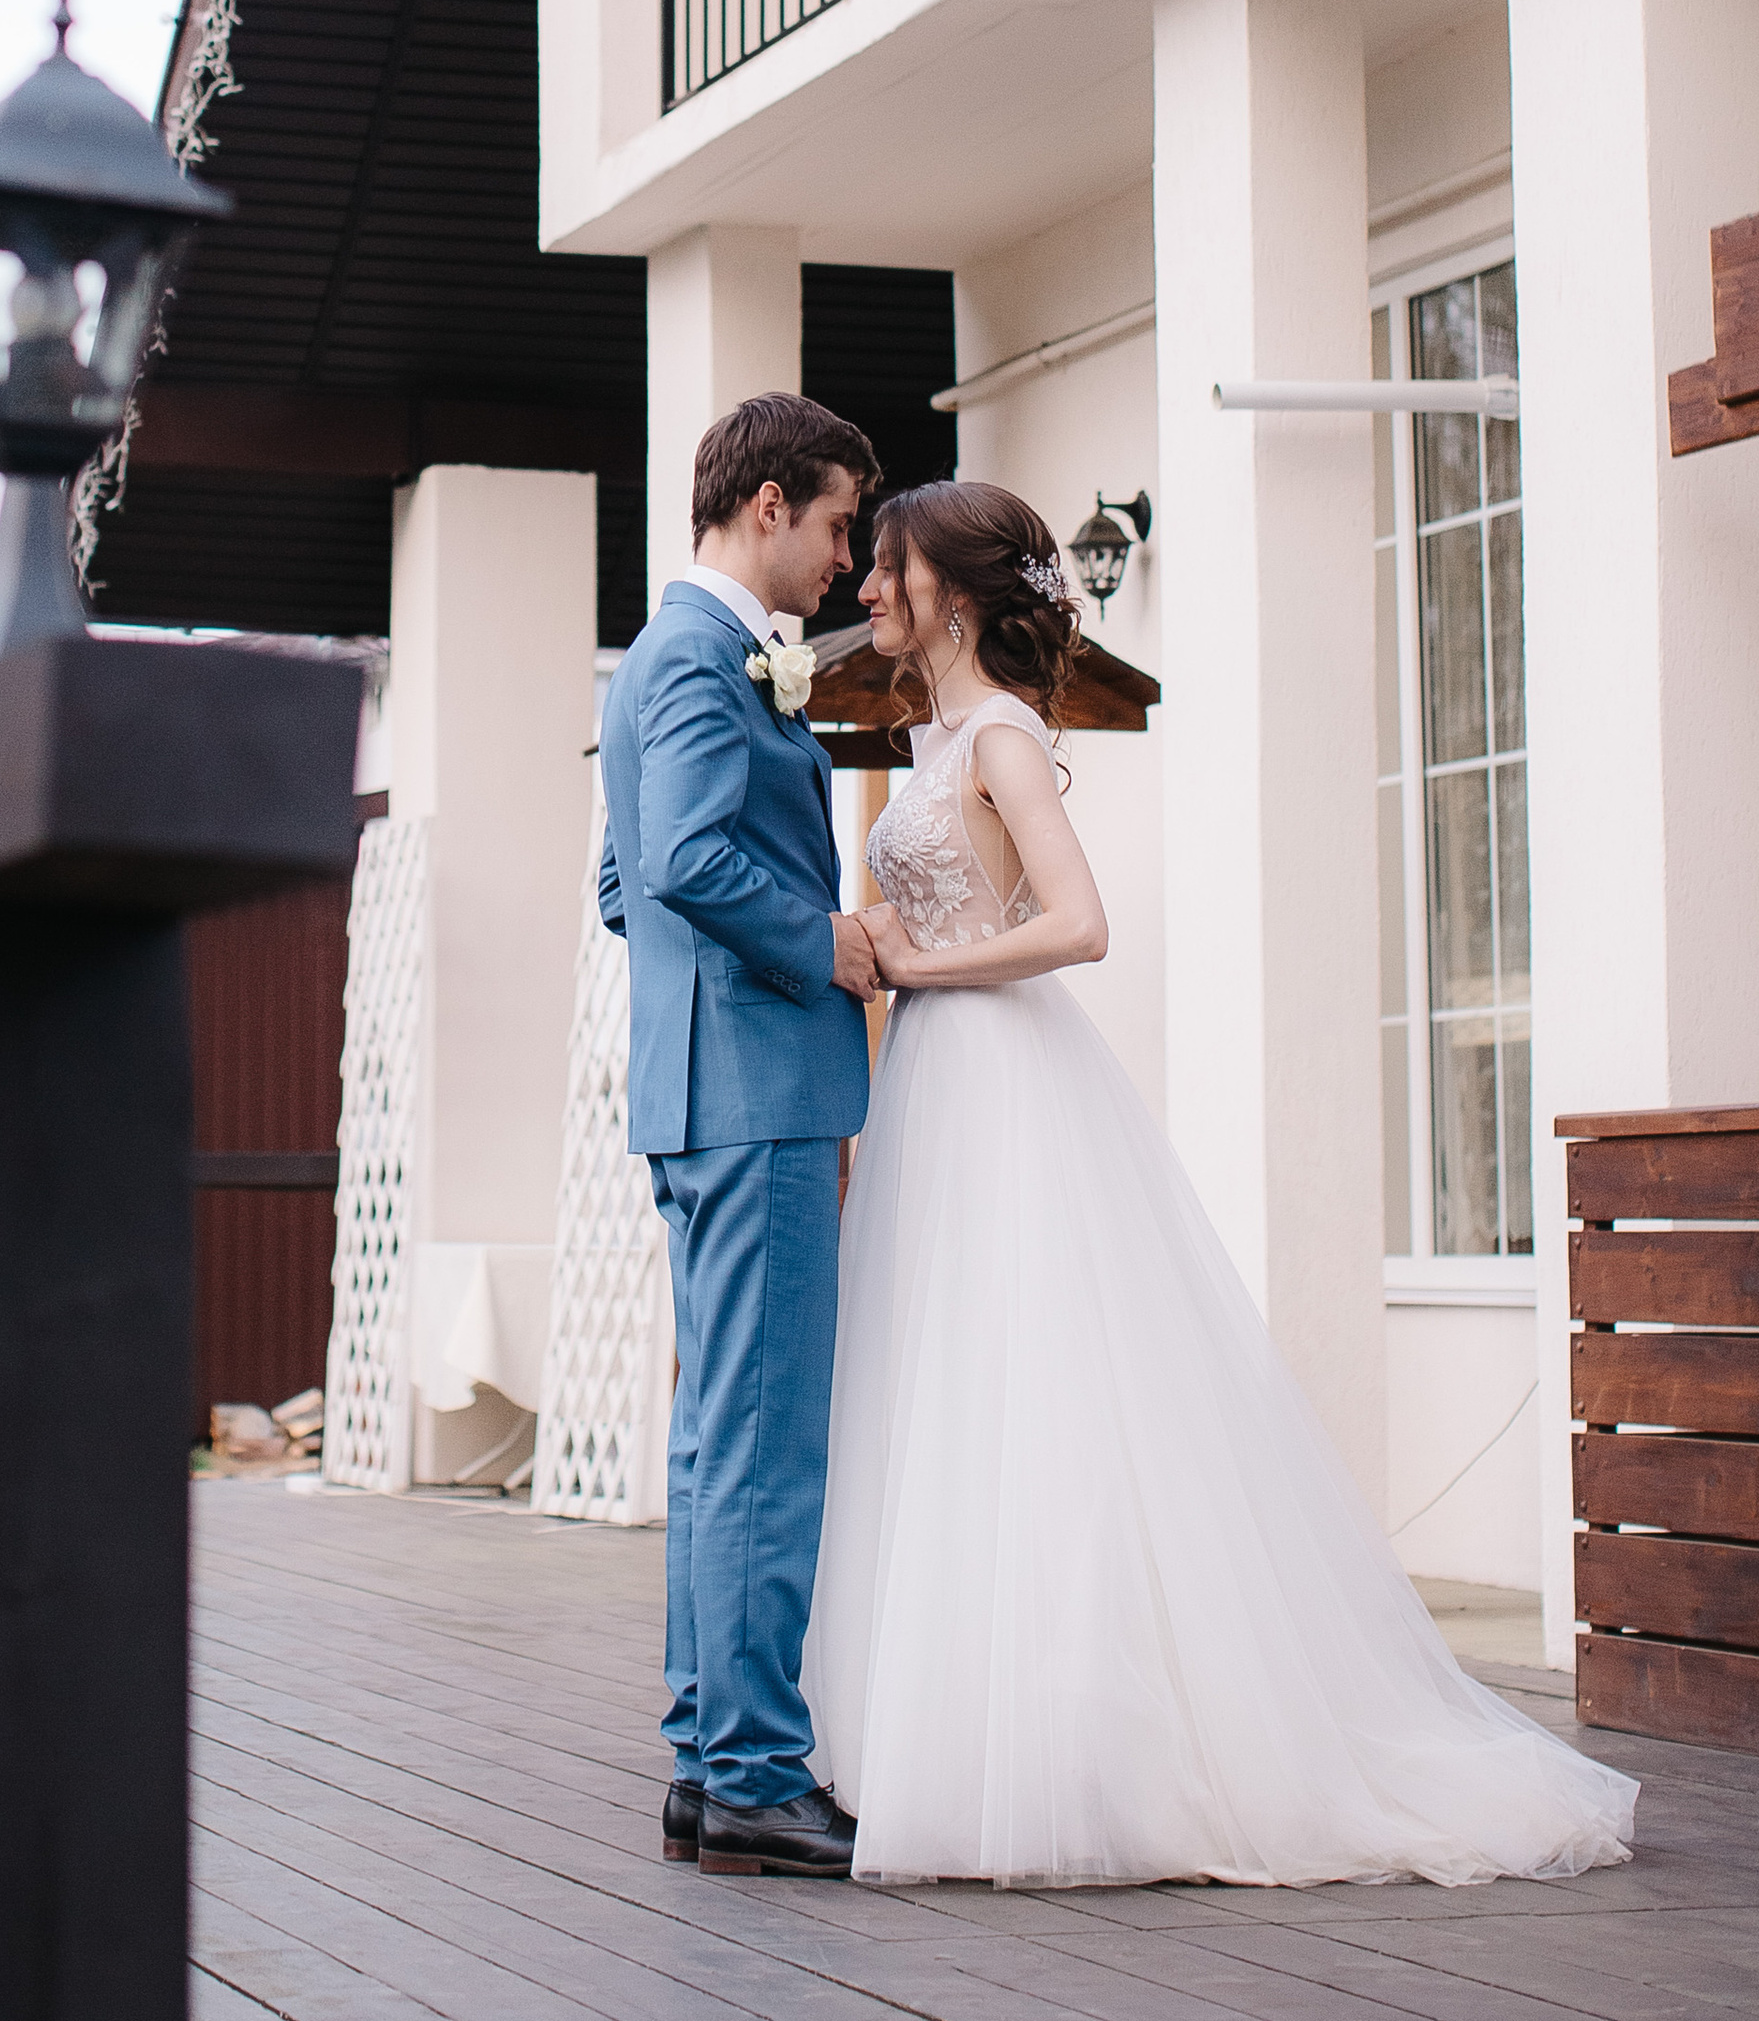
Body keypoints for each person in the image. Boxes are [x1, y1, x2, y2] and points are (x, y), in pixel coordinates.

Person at [805, 474, 1638, 1888]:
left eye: (887, 568)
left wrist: (916, 964)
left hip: (1003, 1075)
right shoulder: (935, 732)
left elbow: (1078, 924)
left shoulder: (1002, 734)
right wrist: (878, 936)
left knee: (1042, 1392)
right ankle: (951, 1729)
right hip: (939, 1081)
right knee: (950, 1388)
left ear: (948, 587)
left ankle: (1079, 1748)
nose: (868, 590)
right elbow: (964, 896)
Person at [595, 391, 882, 1879]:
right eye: (838, 524)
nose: (844, 559)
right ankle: (760, 1773)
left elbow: (623, 882)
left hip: (696, 1089)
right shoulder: (709, 656)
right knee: (762, 1445)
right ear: (768, 505)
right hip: (757, 1092)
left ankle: (713, 1762)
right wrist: (820, 946)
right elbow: (694, 857)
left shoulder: (654, 663)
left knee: (720, 1439)